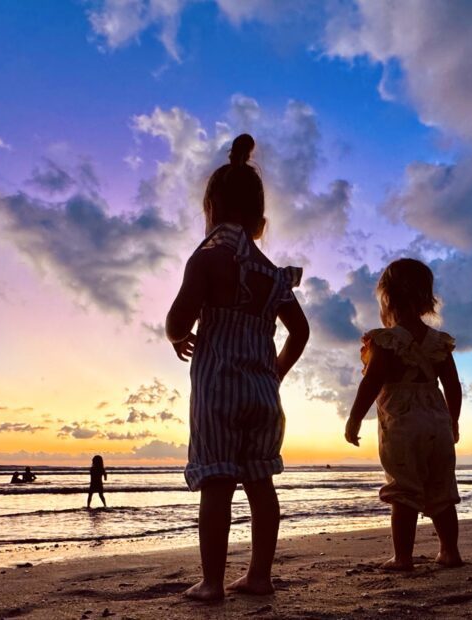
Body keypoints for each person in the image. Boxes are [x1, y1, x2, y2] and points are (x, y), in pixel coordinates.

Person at [166, 134, 310, 601]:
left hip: (217, 391)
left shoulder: (208, 260)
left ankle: (212, 582)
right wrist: (275, 373)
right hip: (262, 394)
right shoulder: (274, 276)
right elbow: (301, 332)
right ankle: (259, 576)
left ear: (210, 211)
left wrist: (176, 337)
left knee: (218, 484)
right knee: (260, 483)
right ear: (260, 222)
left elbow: (178, 319)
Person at [344, 258, 463, 571]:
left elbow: (371, 382)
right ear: (426, 299)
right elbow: (453, 386)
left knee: (403, 490)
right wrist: (453, 420)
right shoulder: (439, 342)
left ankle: (403, 557)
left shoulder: (387, 341)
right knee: (441, 488)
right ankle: (449, 551)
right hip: (437, 421)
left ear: (387, 298)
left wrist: (354, 418)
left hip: (402, 422)